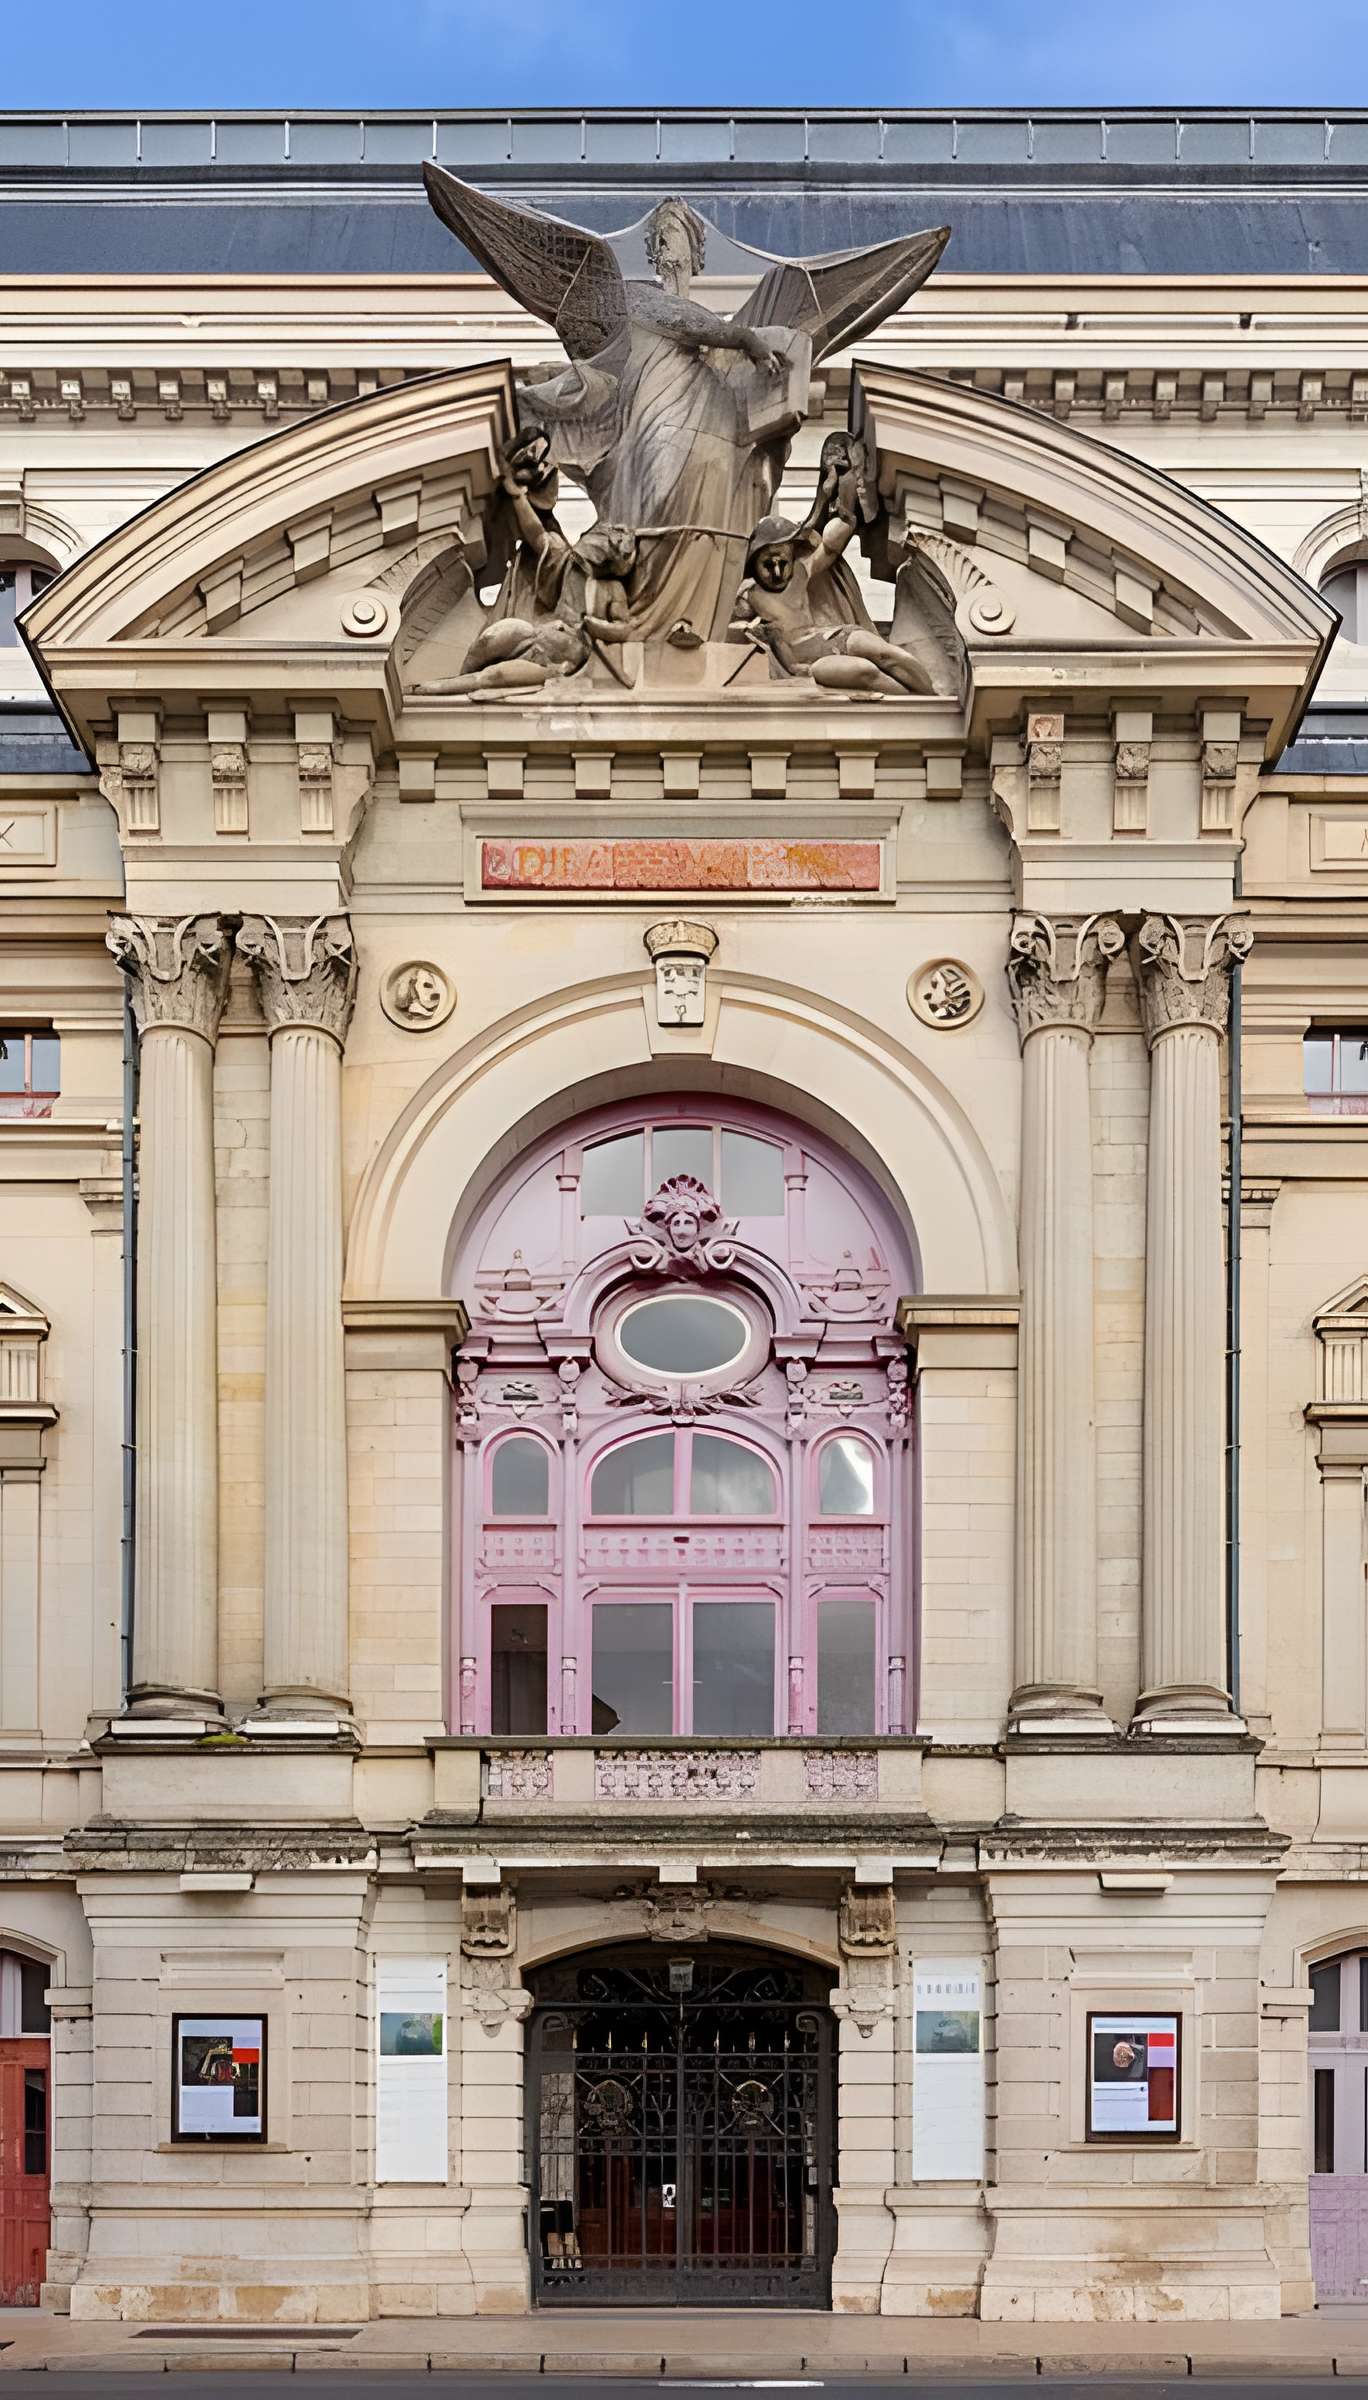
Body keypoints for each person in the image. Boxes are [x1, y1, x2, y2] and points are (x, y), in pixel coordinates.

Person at [730, 512, 937, 695]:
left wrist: (847, 508)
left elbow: (830, 548)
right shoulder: (748, 594)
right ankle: (915, 701)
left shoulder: (800, 572)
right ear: (754, 562)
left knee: (888, 653)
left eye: (782, 562)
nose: (777, 572)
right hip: (807, 662)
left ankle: (932, 696)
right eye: (768, 564)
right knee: (866, 671)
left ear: (792, 554)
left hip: (830, 636)